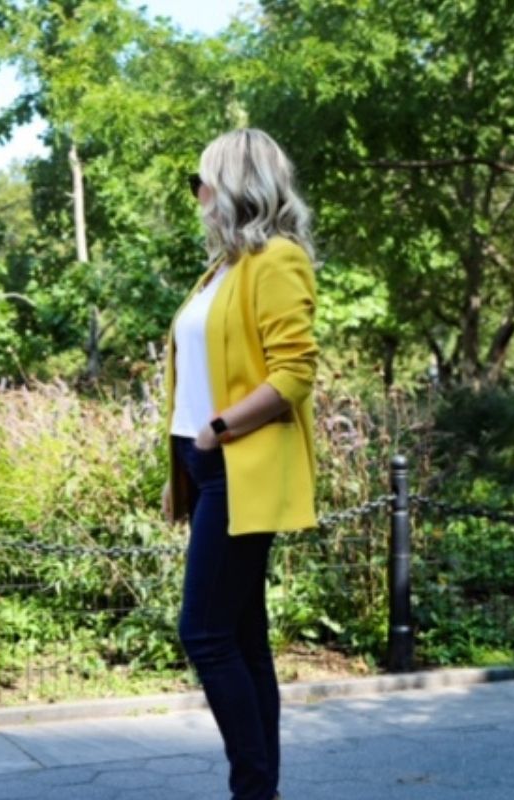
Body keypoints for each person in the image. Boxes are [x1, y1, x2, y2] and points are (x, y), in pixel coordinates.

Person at [161, 128, 319, 800]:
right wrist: (182, 465)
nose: (196, 196)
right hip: (202, 471)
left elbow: (293, 374)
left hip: (234, 465)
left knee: (204, 632)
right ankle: (262, 793)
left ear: (232, 184)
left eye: (201, 182)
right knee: (244, 639)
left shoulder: (276, 259)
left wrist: (215, 432)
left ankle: (252, 791)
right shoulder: (221, 268)